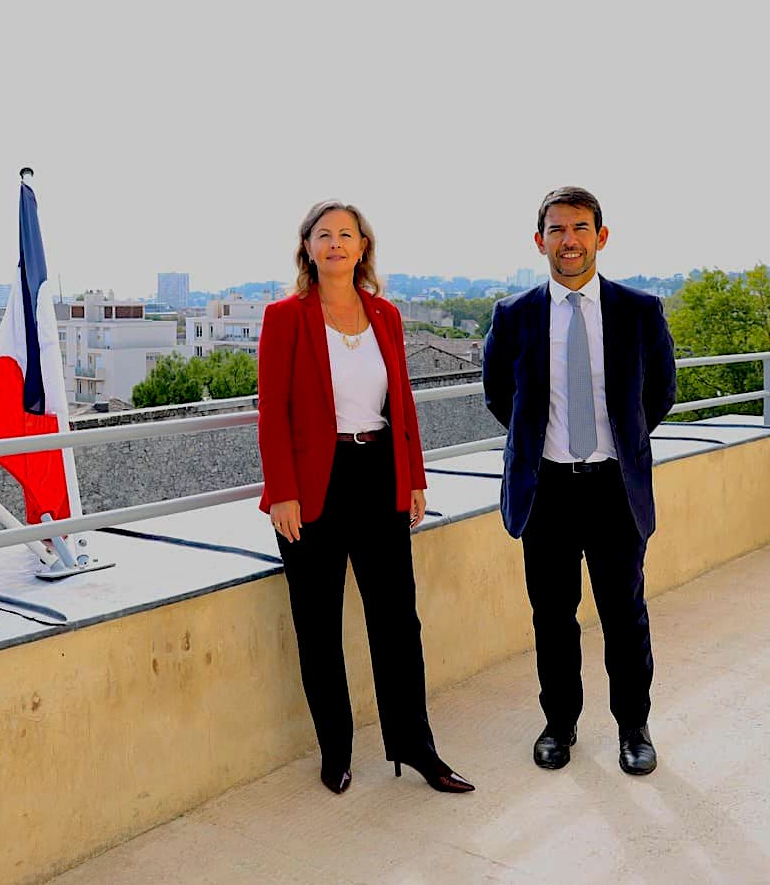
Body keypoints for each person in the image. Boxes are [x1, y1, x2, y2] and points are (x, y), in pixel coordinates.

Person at [256, 199, 474, 796]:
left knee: (398, 623)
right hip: (312, 488)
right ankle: (337, 752)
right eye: (323, 235)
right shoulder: (284, 317)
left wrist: (415, 478)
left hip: (379, 474)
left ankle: (416, 747)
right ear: (307, 247)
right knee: (319, 628)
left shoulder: (386, 315)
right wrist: (281, 493)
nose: (334, 244)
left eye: (345, 235)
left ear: (362, 247)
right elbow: (272, 413)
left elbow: (401, 401)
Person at [482, 186, 676, 776]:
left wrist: (620, 440)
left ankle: (633, 726)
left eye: (581, 228)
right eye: (558, 229)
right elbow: (501, 397)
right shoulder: (513, 316)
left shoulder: (639, 311)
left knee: (625, 613)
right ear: (540, 240)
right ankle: (559, 723)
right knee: (552, 614)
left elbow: (659, 394)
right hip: (547, 492)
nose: (570, 240)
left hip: (616, 488)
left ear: (601, 236)